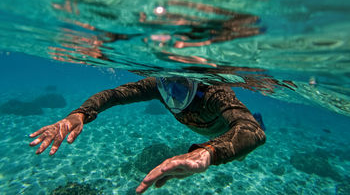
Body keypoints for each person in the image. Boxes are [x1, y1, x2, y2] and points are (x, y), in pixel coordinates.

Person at [29, 76, 266, 194]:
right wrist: (80, 114)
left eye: (181, 88)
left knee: (244, 149)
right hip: (209, 131)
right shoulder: (156, 85)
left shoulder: (215, 92)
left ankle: (259, 118)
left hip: (223, 131)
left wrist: (209, 152)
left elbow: (250, 130)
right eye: (166, 87)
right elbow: (115, 94)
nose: (172, 97)